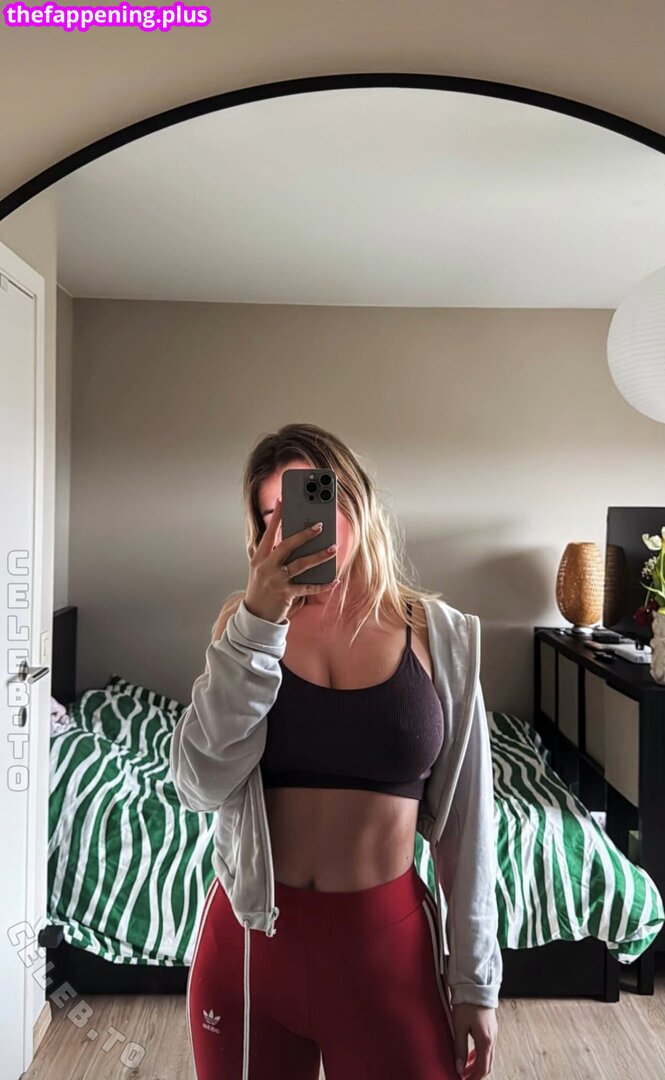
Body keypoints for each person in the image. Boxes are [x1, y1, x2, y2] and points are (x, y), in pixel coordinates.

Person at [170, 422, 501, 1080]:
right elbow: (198, 783)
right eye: (273, 515)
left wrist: (475, 982)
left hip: (386, 952)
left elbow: (469, 825)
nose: (294, 529)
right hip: (249, 952)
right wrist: (258, 625)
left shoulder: (439, 635)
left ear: (355, 500)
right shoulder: (244, 627)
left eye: (310, 502)